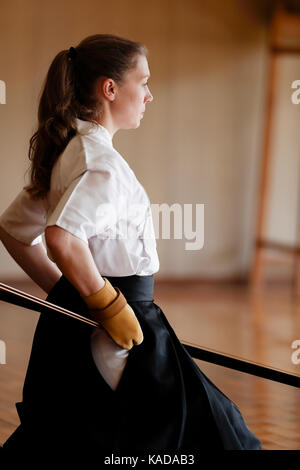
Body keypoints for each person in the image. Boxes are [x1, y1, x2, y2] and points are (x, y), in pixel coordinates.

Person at [0, 34, 261, 456]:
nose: (149, 94)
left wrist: (67, 295)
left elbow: (13, 231)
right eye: (143, 81)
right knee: (218, 433)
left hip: (98, 319)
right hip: (116, 323)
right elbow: (61, 238)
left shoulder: (72, 150)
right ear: (110, 88)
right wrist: (104, 304)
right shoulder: (101, 164)